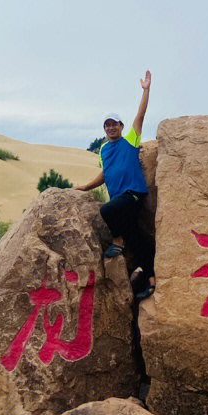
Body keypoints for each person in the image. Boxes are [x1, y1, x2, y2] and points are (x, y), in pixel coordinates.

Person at [74, 70, 155, 300]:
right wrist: (86, 188)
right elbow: (105, 174)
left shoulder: (130, 140)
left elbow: (141, 114)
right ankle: (150, 282)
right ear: (104, 129)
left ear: (121, 126)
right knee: (139, 242)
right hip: (121, 200)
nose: (111, 128)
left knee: (106, 210)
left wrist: (146, 90)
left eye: (114, 124)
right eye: (107, 125)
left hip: (134, 195)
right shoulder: (103, 149)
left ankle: (117, 241)